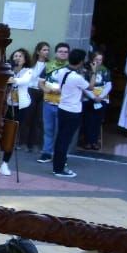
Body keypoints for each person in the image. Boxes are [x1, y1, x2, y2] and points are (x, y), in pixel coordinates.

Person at [49, 47, 89, 178]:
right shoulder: (77, 77)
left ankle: (58, 166)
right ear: (81, 62)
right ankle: (59, 169)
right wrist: (94, 72)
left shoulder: (62, 71)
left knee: (61, 138)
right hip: (73, 111)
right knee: (65, 140)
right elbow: (90, 87)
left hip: (62, 108)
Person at [35, 41, 72, 163]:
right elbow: (40, 82)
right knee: (48, 129)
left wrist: (62, 91)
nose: (63, 54)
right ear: (56, 53)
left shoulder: (71, 68)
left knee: (61, 132)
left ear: (69, 54)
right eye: (60, 51)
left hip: (64, 105)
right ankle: (46, 153)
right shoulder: (48, 66)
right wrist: (46, 89)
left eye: (65, 52)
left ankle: (60, 155)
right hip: (48, 102)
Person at [78, 48, 112, 151]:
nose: (98, 62)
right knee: (88, 120)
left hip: (101, 99)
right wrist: (93, 97)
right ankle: (87, 141)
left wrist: (101, 96)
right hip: (89, 99)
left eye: (100, 60)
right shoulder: (86, 70)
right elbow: (84, 86)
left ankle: (94, 141)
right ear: (92, 59)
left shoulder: (105, 70)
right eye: (96, 59)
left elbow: (108, 85)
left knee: (97, 120)